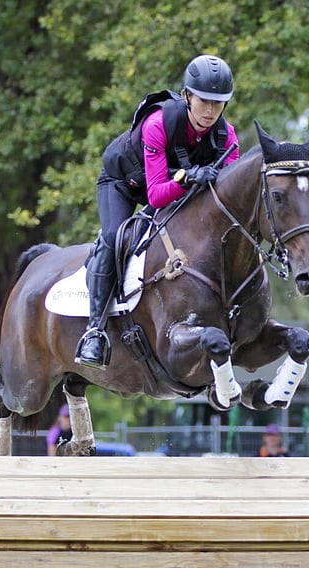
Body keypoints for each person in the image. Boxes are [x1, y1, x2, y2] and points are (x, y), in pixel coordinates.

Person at [75, 54, 241, 368]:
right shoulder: (159, 123)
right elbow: (156, 194)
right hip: (124, 183)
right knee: (114, 237)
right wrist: (190, 176)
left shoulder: (227, 137)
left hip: (171, 189)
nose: (209, 111)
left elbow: (225, 202)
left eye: (217, 104)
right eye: (203, 101)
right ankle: (94, 331)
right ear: (187, 96)